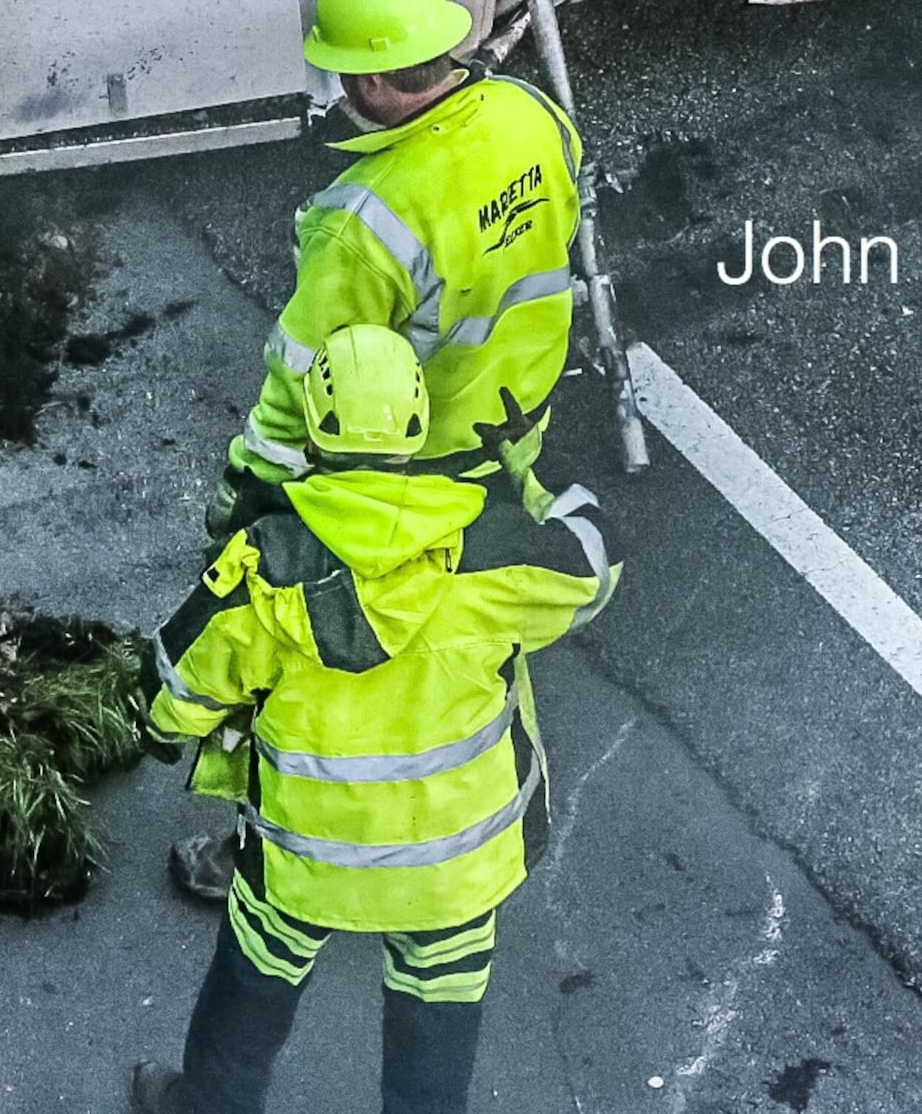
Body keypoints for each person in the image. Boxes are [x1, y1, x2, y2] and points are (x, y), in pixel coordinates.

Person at [171, 0, 586, 901]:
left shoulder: (367, 220)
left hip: (395, 474)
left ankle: (267, 849)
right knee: (476, 641)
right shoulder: (529, 115)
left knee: (323, 660)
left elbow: (299, 385)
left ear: (365, 80)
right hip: (510, 439)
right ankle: (497, 805)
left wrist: (248, 499)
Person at [130, 325, 618, 1114]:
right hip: (455, 863)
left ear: (314, 435)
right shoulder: (490, 552)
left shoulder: (262, 570)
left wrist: (159, 730)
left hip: (305, 860)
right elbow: (594, 563)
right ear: (417, 430)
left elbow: (171, 701)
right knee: (438, 1013)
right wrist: (530, 466)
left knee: (256, 977)